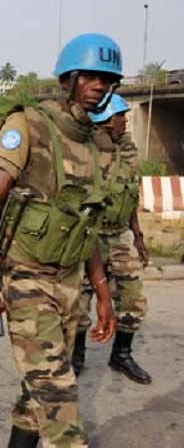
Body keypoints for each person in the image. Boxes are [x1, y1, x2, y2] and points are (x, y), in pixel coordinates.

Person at [0, 34, 122, 447]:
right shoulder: (27, 124)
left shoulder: (92, 142)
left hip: (69, 281)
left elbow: (86, 222)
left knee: (37, 390)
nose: (99, 86)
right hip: (25, 279)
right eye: (91, 76)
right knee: (57, 394)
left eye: (107, 80)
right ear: (70, 78)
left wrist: (103, 292)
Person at [72, 94, 151, 384]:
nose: (125, 123)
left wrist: (138, 235)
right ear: (103, 119)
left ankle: (122, 355)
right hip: (88, 235)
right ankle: (76, 356)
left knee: (132, 298)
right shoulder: (84, 149)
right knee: (79, 300)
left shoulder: (128, 151)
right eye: (120, 117)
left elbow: (130, 194)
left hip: (119, 236)